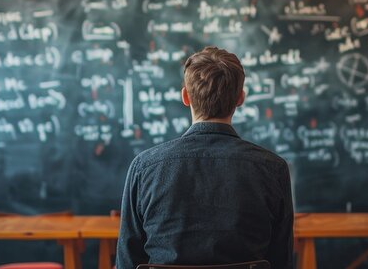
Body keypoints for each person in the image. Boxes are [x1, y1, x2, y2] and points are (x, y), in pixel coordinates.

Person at [116, 46, 294, 269]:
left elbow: (127, 262)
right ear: (240, 98)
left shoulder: (144, 168)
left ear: (185, 97)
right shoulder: (273, 169)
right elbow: (282, 262)